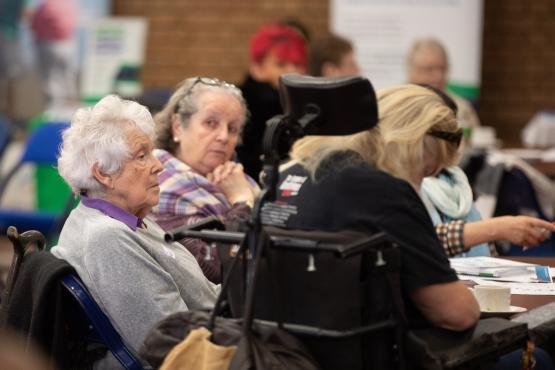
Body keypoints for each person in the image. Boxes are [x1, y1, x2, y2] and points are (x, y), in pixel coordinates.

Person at [265, 88, 479, 331]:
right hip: (358, 351)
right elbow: (457, 314)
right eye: (428, 170)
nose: (425, 181)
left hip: (277, 346)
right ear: (414, 149)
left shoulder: (286, 176)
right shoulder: (385, 194)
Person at [51, 95, 219, 369]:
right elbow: (176, 348)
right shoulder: (107, 239)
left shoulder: (131, 219)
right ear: (104, 174)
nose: (159, 165)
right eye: (142, 155)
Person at [375, 84, 555, 257]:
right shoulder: (384, 183)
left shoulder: (455, 180)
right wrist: (497, 229)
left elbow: (486, 254)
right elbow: (416, 238)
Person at [150, 77, 259, 284]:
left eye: (233, 128)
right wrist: (243, 201)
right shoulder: (159, 184)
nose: (224, 136)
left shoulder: (237, 179)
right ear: (177, 127)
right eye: (211, 123)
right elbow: (218, 270)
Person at [236, 23, 307, 180]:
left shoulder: (304, 106)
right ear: (257, 68)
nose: (291, 71)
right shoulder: (241, 104)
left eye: (297, 64)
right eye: (280, 65)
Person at [406, 38, 481, 131]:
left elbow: (474, 142)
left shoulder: (463, 109)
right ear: (412, 71)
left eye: (443, 69)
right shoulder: (394, 105)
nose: (439, 77)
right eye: (430, 69)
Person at [31, 0, 78, 106]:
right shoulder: (69, 4)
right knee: (68, 76)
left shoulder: (45, 6)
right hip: (67, 44)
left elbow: (34, 24)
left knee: (50, 78)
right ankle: (70, 104)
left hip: (48, 44)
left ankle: (54, 106)